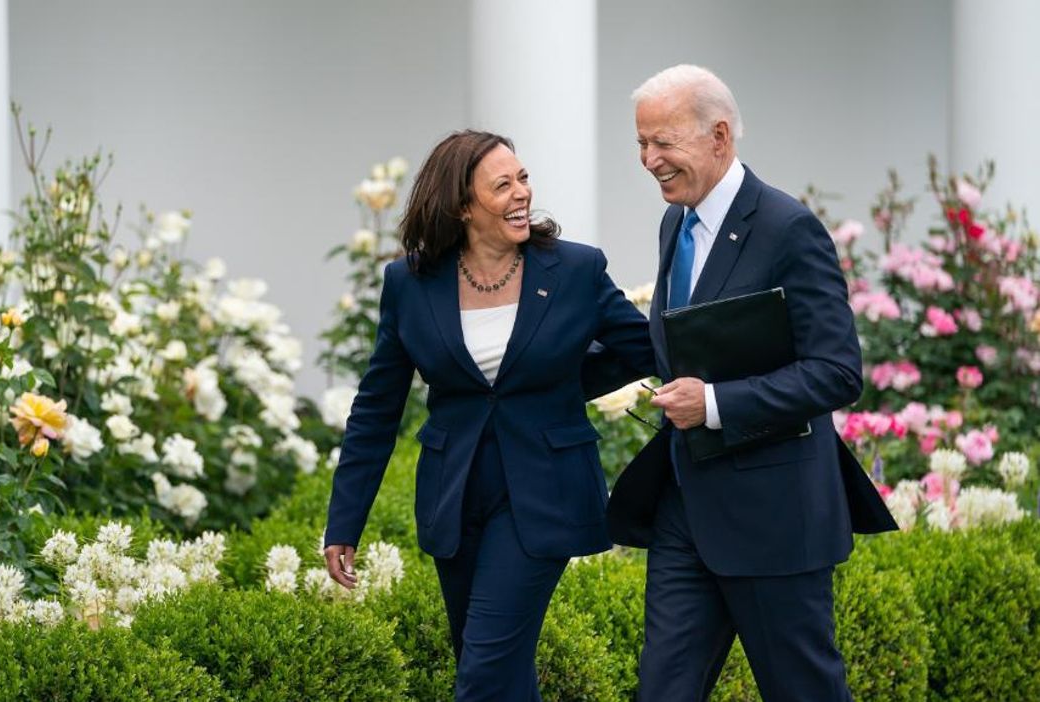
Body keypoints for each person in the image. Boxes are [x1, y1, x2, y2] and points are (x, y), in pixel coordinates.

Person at [585, 65, 897, 701]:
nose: (648, 159)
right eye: (641, 143)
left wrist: (717, 404)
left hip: (775, 517)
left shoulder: (788, 228)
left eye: (662, 142)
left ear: (719, 136)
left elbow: (837, 371)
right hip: (684, 512)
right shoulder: (676, 222)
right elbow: (682, 342)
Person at [323, 129, 655, 701]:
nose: (522, 193)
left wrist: (560, 386)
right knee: (496, 668)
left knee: (483, 672)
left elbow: (642, 348)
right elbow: (377, 407)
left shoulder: (574, 269)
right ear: (462, 205)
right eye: (502, 185)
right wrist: (344, 520)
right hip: (455, 495)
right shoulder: (409, 282)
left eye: (523, 178)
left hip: (544, 492)